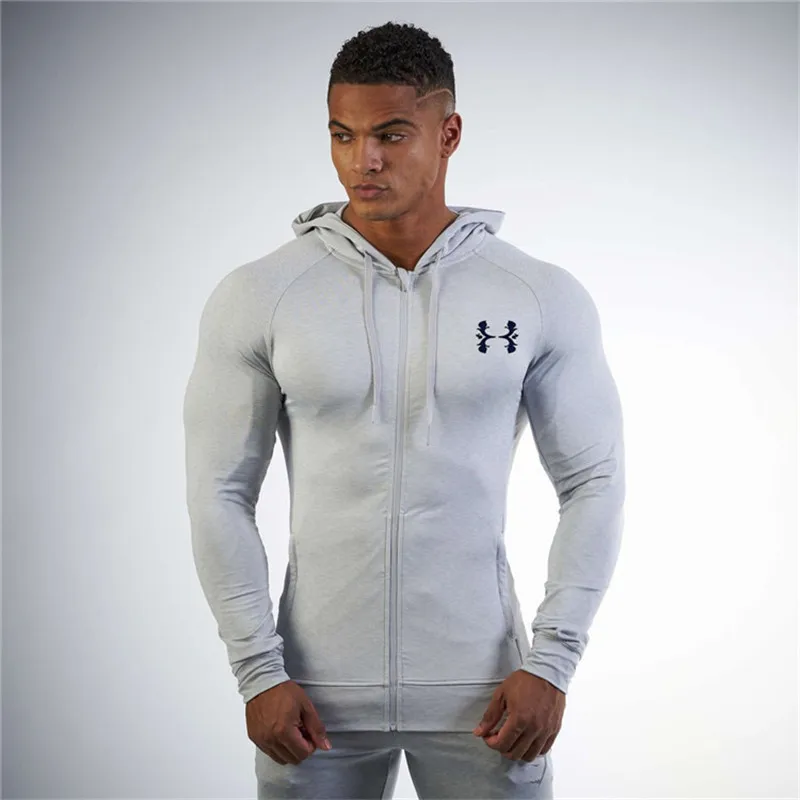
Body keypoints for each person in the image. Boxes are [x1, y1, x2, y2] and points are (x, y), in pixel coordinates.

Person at [182, 20, 626, 800]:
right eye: (343, 135)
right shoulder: (262, 294)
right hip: (310, 701)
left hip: (488, 699)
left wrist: (552, 664)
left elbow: (594, 482)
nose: (365, 160)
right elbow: (219, 491)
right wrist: (257, 671)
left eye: (391, 134)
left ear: (448, 133)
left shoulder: (535, 294)